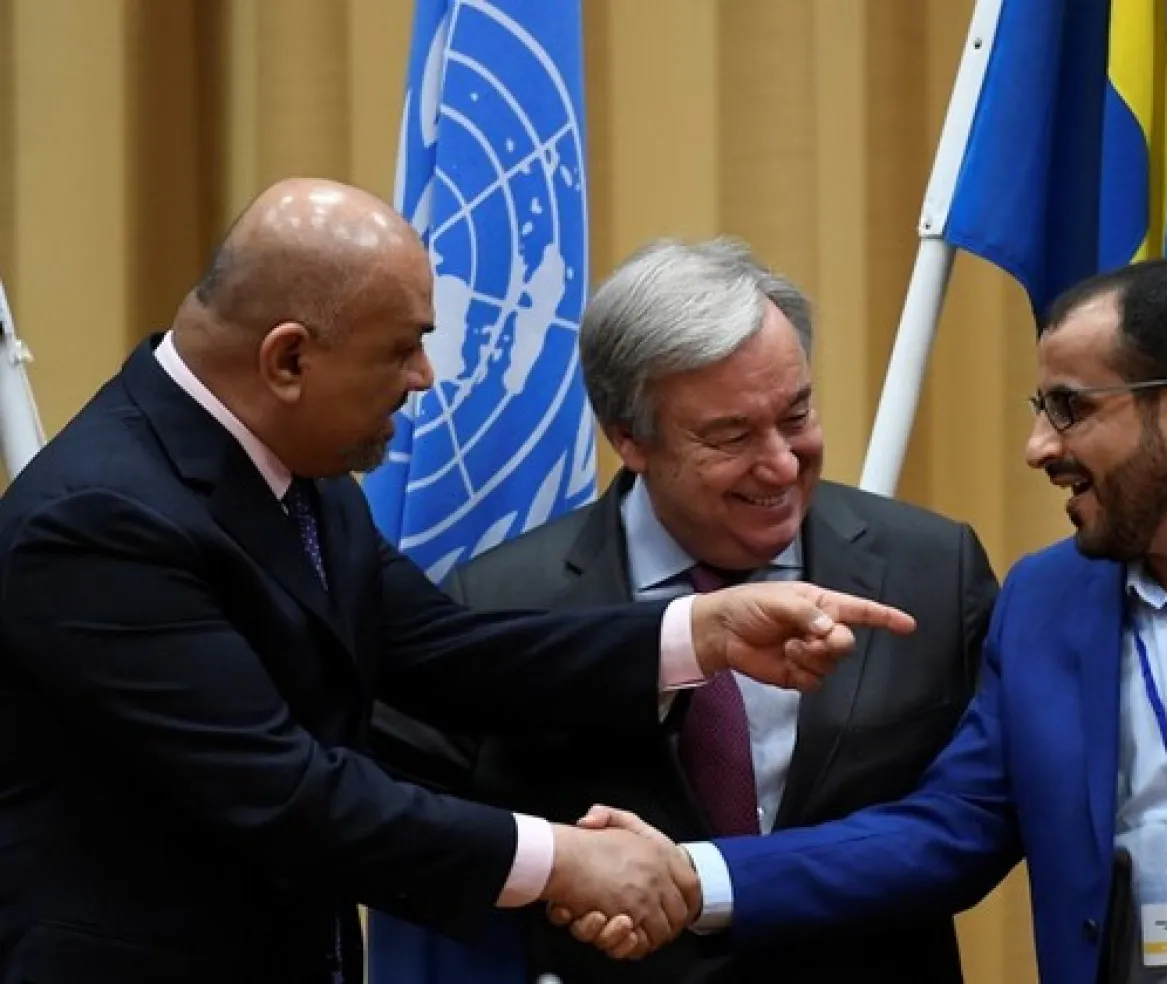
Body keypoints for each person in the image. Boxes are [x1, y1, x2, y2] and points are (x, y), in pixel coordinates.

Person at [0, 178, 916, 984]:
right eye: (401, 349)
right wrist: (562, 859)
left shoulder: (287, 464)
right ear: (288, 360)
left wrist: (699, 635)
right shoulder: (101, 520)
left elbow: (445, 650)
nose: (425, 379)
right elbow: (284, 789)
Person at [565, 258, 1167, 983]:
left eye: (1068, 409)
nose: (1038, 448)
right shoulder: (1048, 603)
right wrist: (695, 878)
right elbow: (948, 830)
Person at [371, 236, 998, 983]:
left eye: (796, 414)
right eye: (730, 435)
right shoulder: (503, 600)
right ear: (629, 438)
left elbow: (977, 823)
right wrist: (560, 873)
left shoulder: (932, 569)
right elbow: (400, 831)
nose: (781, 462)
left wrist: (699, 879)